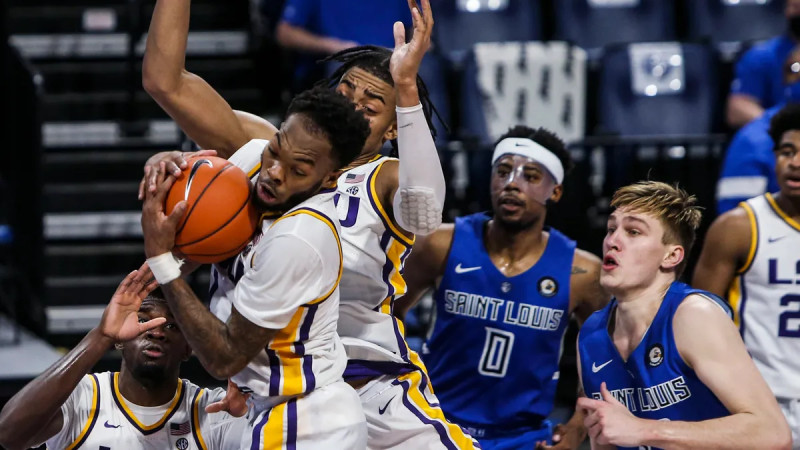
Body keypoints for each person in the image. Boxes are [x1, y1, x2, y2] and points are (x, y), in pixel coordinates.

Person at [141, 0, 477, 447]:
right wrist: (176, 169)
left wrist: (406, 87)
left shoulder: (386, 178)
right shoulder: (267, 151)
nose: (354, 108)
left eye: (372, 103)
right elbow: (167, 83)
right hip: (274, 391)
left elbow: (426, 211)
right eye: (346, 92)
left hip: (369, 384)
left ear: (394, 128)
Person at [140, 86, 372, 449]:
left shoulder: (300, 237)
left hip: (311, 422)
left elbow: (224, 358)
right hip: (265, 406)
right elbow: (180, 255)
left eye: (298, 170)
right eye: (275, 150)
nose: (275, 173)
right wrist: (165, 176)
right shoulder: (250, 160)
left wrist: (161, 258)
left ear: (330, 178)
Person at [397, 126, 609, 449]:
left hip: (523, 438)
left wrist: (578, 426)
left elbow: (604, 357)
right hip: (434, 426)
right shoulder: (440, 243)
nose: (512, 184)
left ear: (555, 192)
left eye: (531, 176)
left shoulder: (581, 271)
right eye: (504, 171)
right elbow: (387, 313)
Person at [576, 181, 791, 450]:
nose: (613, 241)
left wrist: (645, 430)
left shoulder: (693, 315)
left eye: (633, 231)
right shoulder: (591, 334)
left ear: (671, 256)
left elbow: (772, 433)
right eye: (611, 229)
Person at [0, 269, 246, 450]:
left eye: (172, 325)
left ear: (188, 348)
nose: (157, 331)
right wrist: (100, 336)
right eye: (143, 319)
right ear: (120, 340)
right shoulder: (82, 396)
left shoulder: (211, 411)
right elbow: (9, 434)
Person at [694, 104, 800, 448]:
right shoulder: (738, 227)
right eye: (787, 151)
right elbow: (694, 327)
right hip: (760, 403)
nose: (795, 162)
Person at [275, 0, 412, 88]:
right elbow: (285, 33)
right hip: (343, 59)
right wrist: (333, 46)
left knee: (423, 66)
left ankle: (428, 132)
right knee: (345, 68)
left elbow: (419, 29)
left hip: (394, 58)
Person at [726, 0, 800, 128]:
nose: (796, 12)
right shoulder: (762, 55)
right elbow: (737, 108)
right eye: (794, 7)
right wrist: (778, 125)